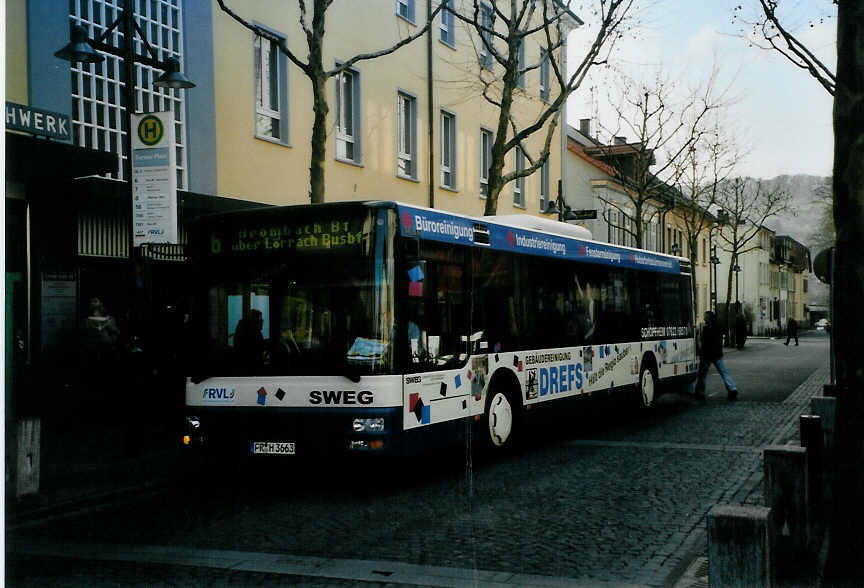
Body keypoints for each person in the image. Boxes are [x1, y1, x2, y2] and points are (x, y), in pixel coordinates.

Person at [692, 310, 739, 401]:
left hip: (707, 355)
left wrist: (701, 351)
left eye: (705, 316)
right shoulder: (718, 327)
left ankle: (700, 392)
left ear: (708, 318)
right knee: (723, 372)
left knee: (702, 375)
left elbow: (704, 343)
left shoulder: (706, 329)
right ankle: (732, 388)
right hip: (717, 354)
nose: (704, 317)